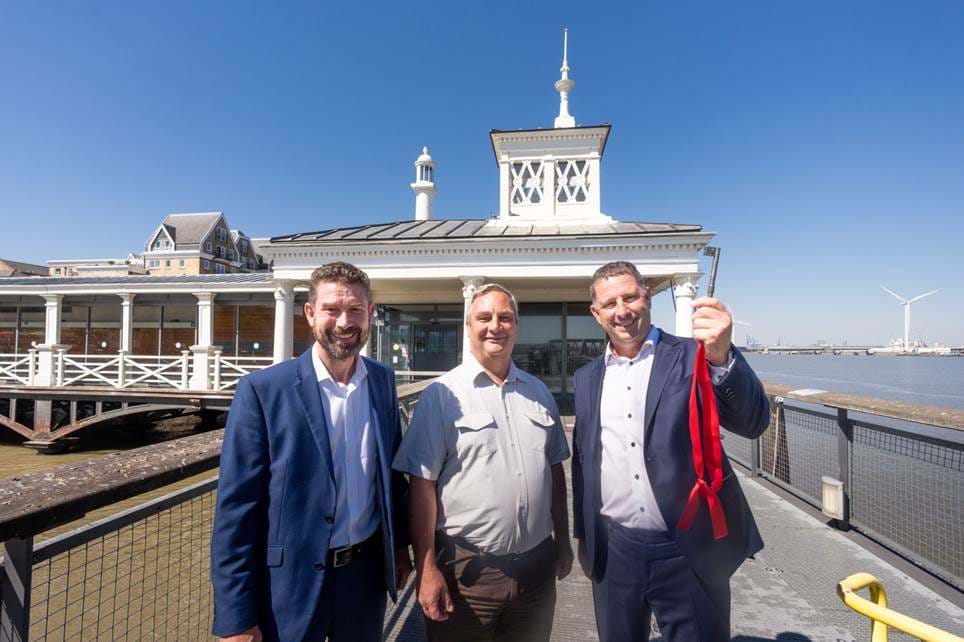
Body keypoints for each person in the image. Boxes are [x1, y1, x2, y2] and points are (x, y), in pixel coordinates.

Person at [211, 262, 412, 642]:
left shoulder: (383, 382)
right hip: (288, 587)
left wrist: (399, 547)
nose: (344, 321)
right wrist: (235, 617)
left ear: (370, 314)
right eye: (332, 309)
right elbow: (235, 511)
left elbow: (391, 479)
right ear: (310, 313)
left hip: (364, 579)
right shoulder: (263, 390)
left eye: (355, 310)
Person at [572, 261, 770, 642]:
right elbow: (584, 463)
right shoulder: (587, 378)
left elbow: (752, 422)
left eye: (630, 297)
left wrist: (722, 355)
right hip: (615, 553)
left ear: (647, 297)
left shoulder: (694, 356)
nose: (622, 310)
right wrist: (585, 537)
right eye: (610, 303)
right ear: (596, 314)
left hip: (687, 549)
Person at [393, 283, 573, 642]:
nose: (496, 326)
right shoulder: (441, 396)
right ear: (468, 326)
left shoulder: (538, 392)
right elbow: (421, 488)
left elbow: (555, 473)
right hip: (466, 575)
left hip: (536, 573)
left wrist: (564, 542)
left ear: (517, 326)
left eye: (505, 317)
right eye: (484, 317)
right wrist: (426, 568)